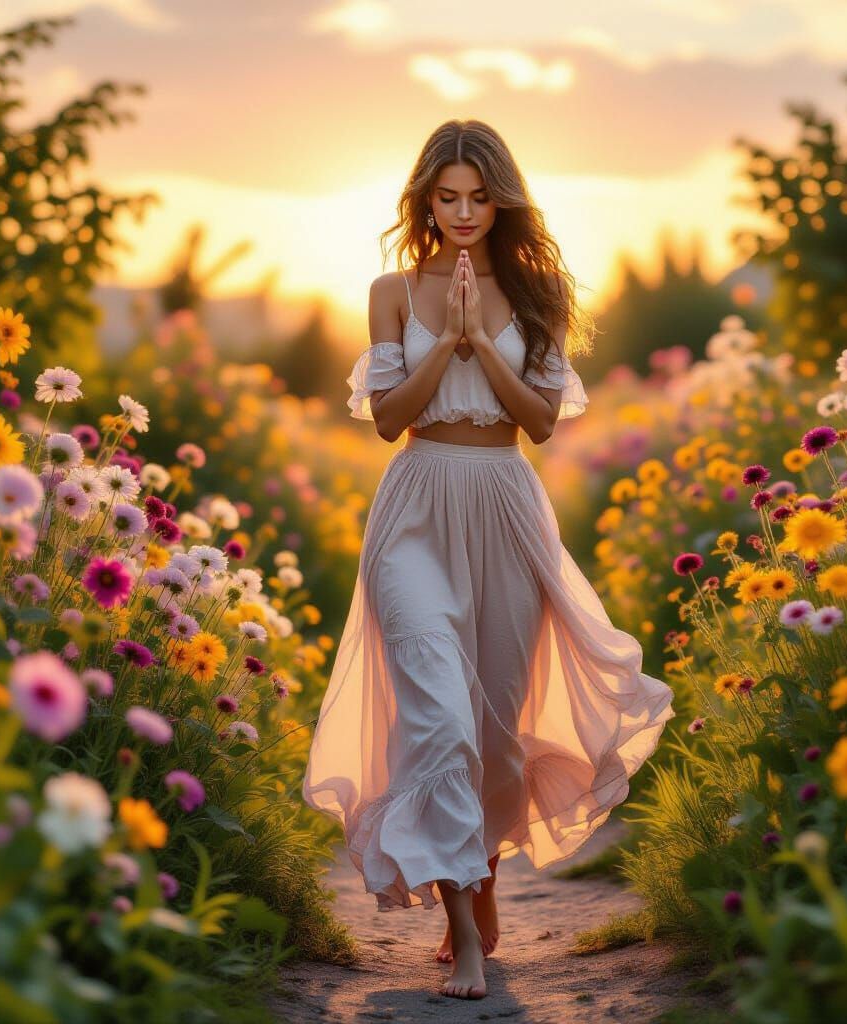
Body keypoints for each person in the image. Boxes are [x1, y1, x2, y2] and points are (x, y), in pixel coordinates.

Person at [302, 119, 674, 1001]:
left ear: (500, 199)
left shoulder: (536, 289)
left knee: (496, 730)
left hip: (505, 504)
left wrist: (478, 340)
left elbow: (541, 422)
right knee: (439, 716)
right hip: (417, 507)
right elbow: (391, 418)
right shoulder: (390, 289)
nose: (463, 212)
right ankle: (463, 933)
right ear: (425, 200)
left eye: (478, 196)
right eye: (447, 196)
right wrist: (444, 343)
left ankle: (480, 872)